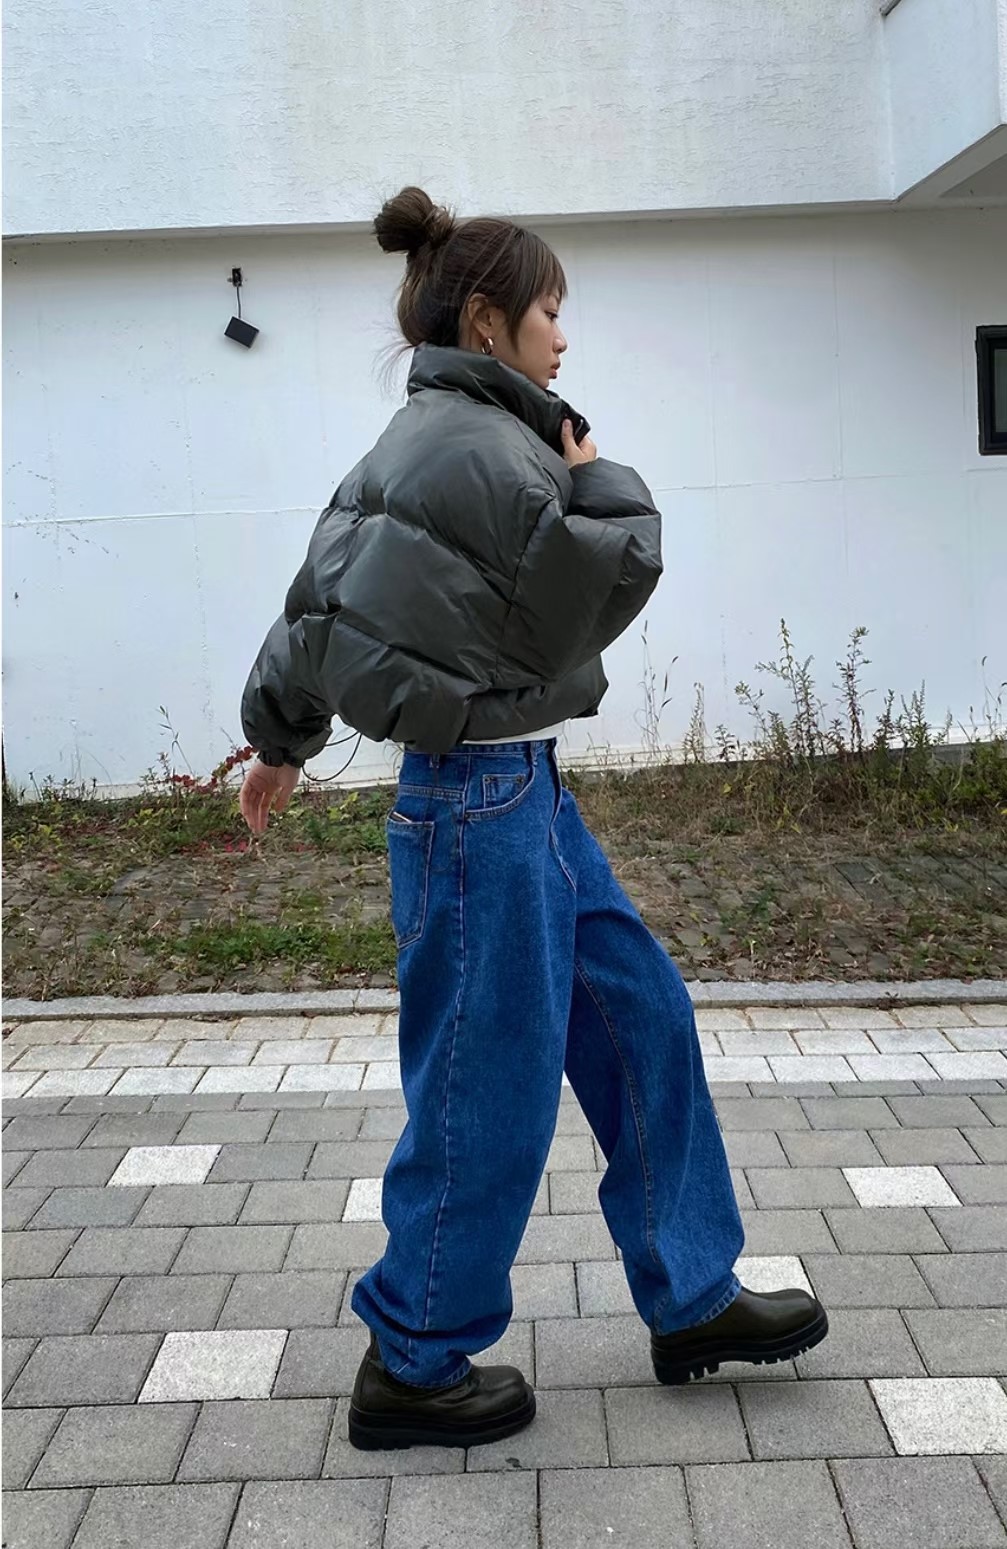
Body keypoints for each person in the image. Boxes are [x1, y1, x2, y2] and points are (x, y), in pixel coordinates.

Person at [239, 186, 828, 1452]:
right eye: (550, 310)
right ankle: (413, 1359)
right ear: (486, 321)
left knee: (640, 1017)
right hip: (480, 813)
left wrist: (280, 739)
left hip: (514, 798)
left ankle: (690, 1295)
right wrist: (595, 472)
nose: (564, 334)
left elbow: (318, 605)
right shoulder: (501, 455)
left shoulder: (416, 442)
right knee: (482, 1088)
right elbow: (607, 575)